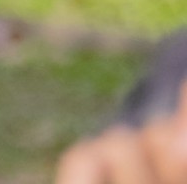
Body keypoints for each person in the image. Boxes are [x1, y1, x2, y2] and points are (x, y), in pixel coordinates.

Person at [57, 33, 187, 184]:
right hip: (144, 135)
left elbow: (179, 154)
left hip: (163, 146)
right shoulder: (178, 48)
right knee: (84, 162)